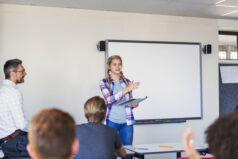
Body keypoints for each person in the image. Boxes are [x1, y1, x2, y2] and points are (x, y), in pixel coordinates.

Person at [100, 55, 140, 145]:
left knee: (128, 153)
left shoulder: (127, 81)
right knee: (109, 152)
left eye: (119, 64)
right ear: (109, 66)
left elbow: (127, 101)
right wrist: (127, 89)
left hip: (127, 122)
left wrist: (134, 104)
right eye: (114, 64)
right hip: (111, 122)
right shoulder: (104, 82)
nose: (117, 67)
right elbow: (109, 100)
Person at [0, 59, 29, 157]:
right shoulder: (13, 92)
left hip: (4, 141)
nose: (25, 74)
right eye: (22, 71)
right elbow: (21, 124)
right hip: (15, 142)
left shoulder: (2, 89)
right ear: (12, 74)